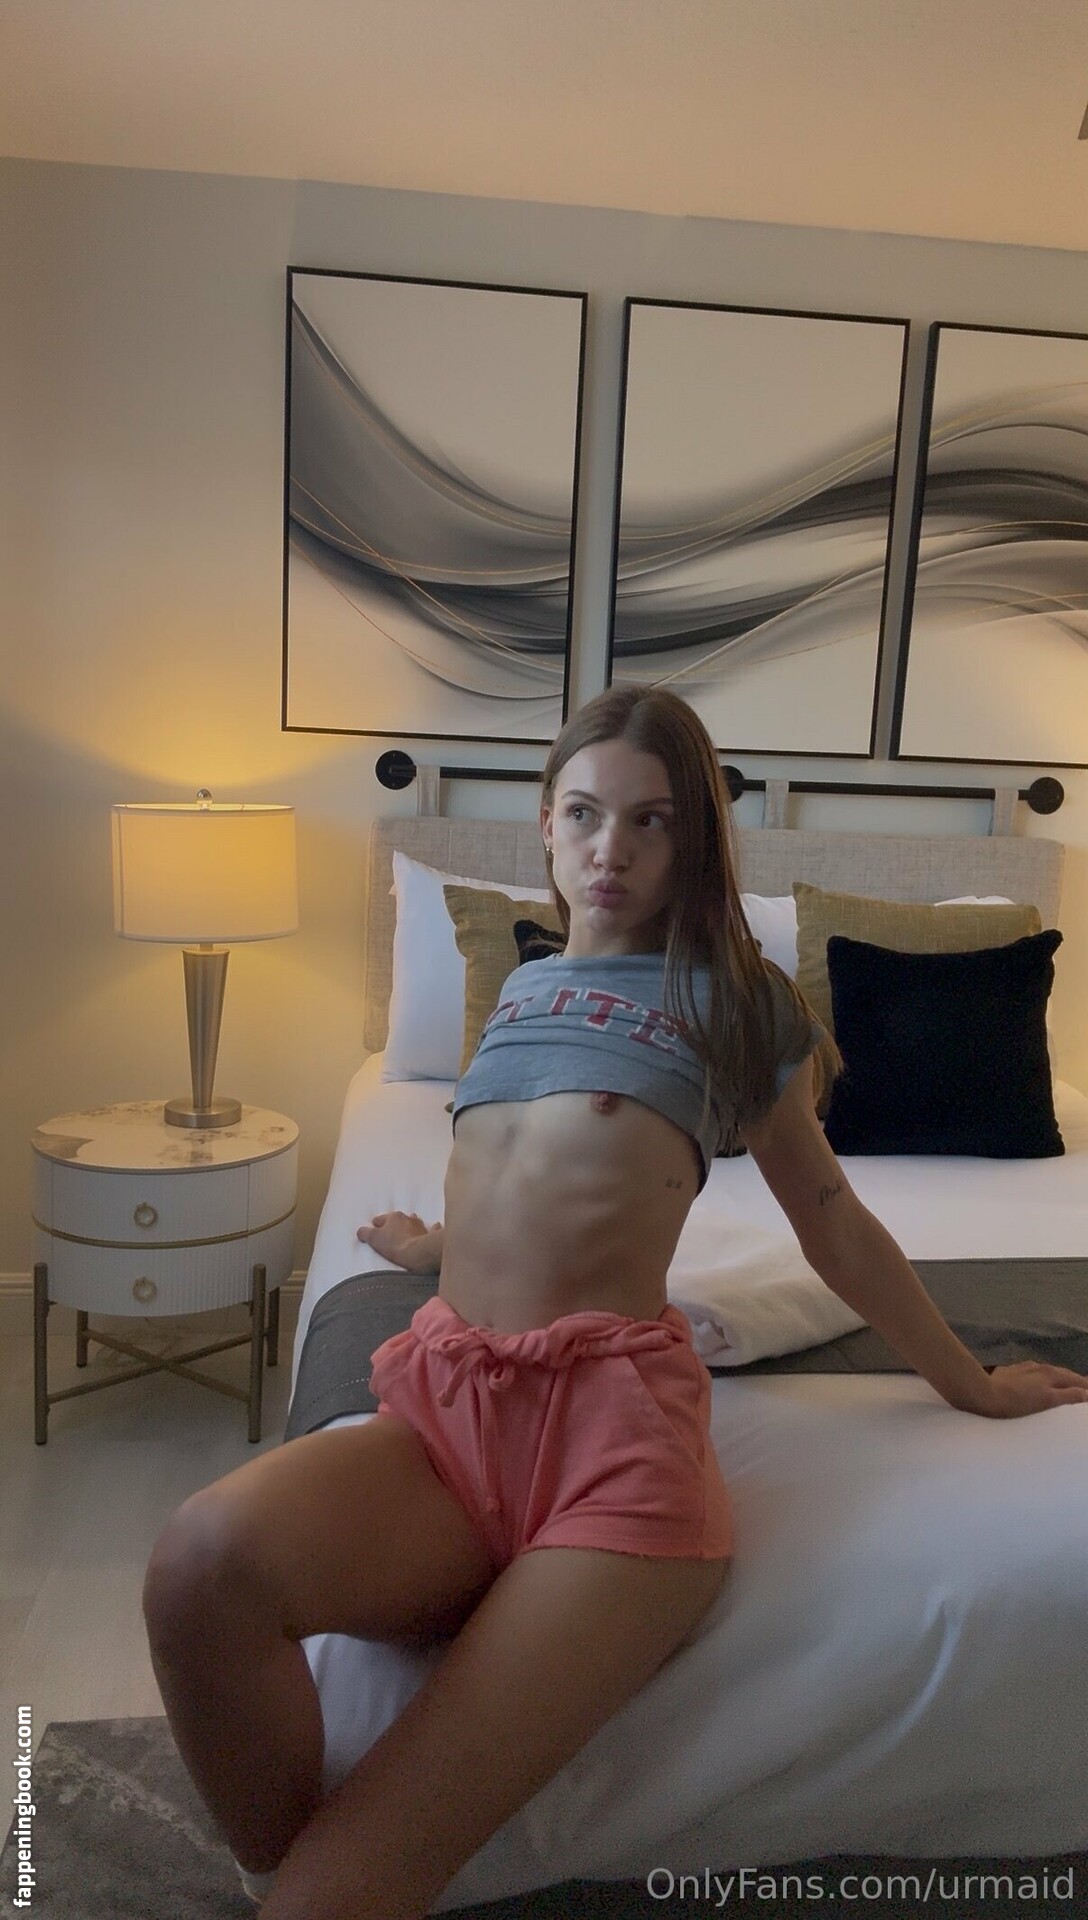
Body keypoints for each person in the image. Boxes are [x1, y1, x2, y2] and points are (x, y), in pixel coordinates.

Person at [142, 685, 1088, 1920]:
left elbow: (831, 1222)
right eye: (585, 814)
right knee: (198, 1566)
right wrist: (428, 1245)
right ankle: (284, 1872)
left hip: (610, 1453)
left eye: (651, 820)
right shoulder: (520, 993)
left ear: (691, 841)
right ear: (545, 823)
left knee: (360, 1867)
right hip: (447, 1413)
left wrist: (971, 1383)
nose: (612, 848)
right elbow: (529, 1184)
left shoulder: (734, 998)